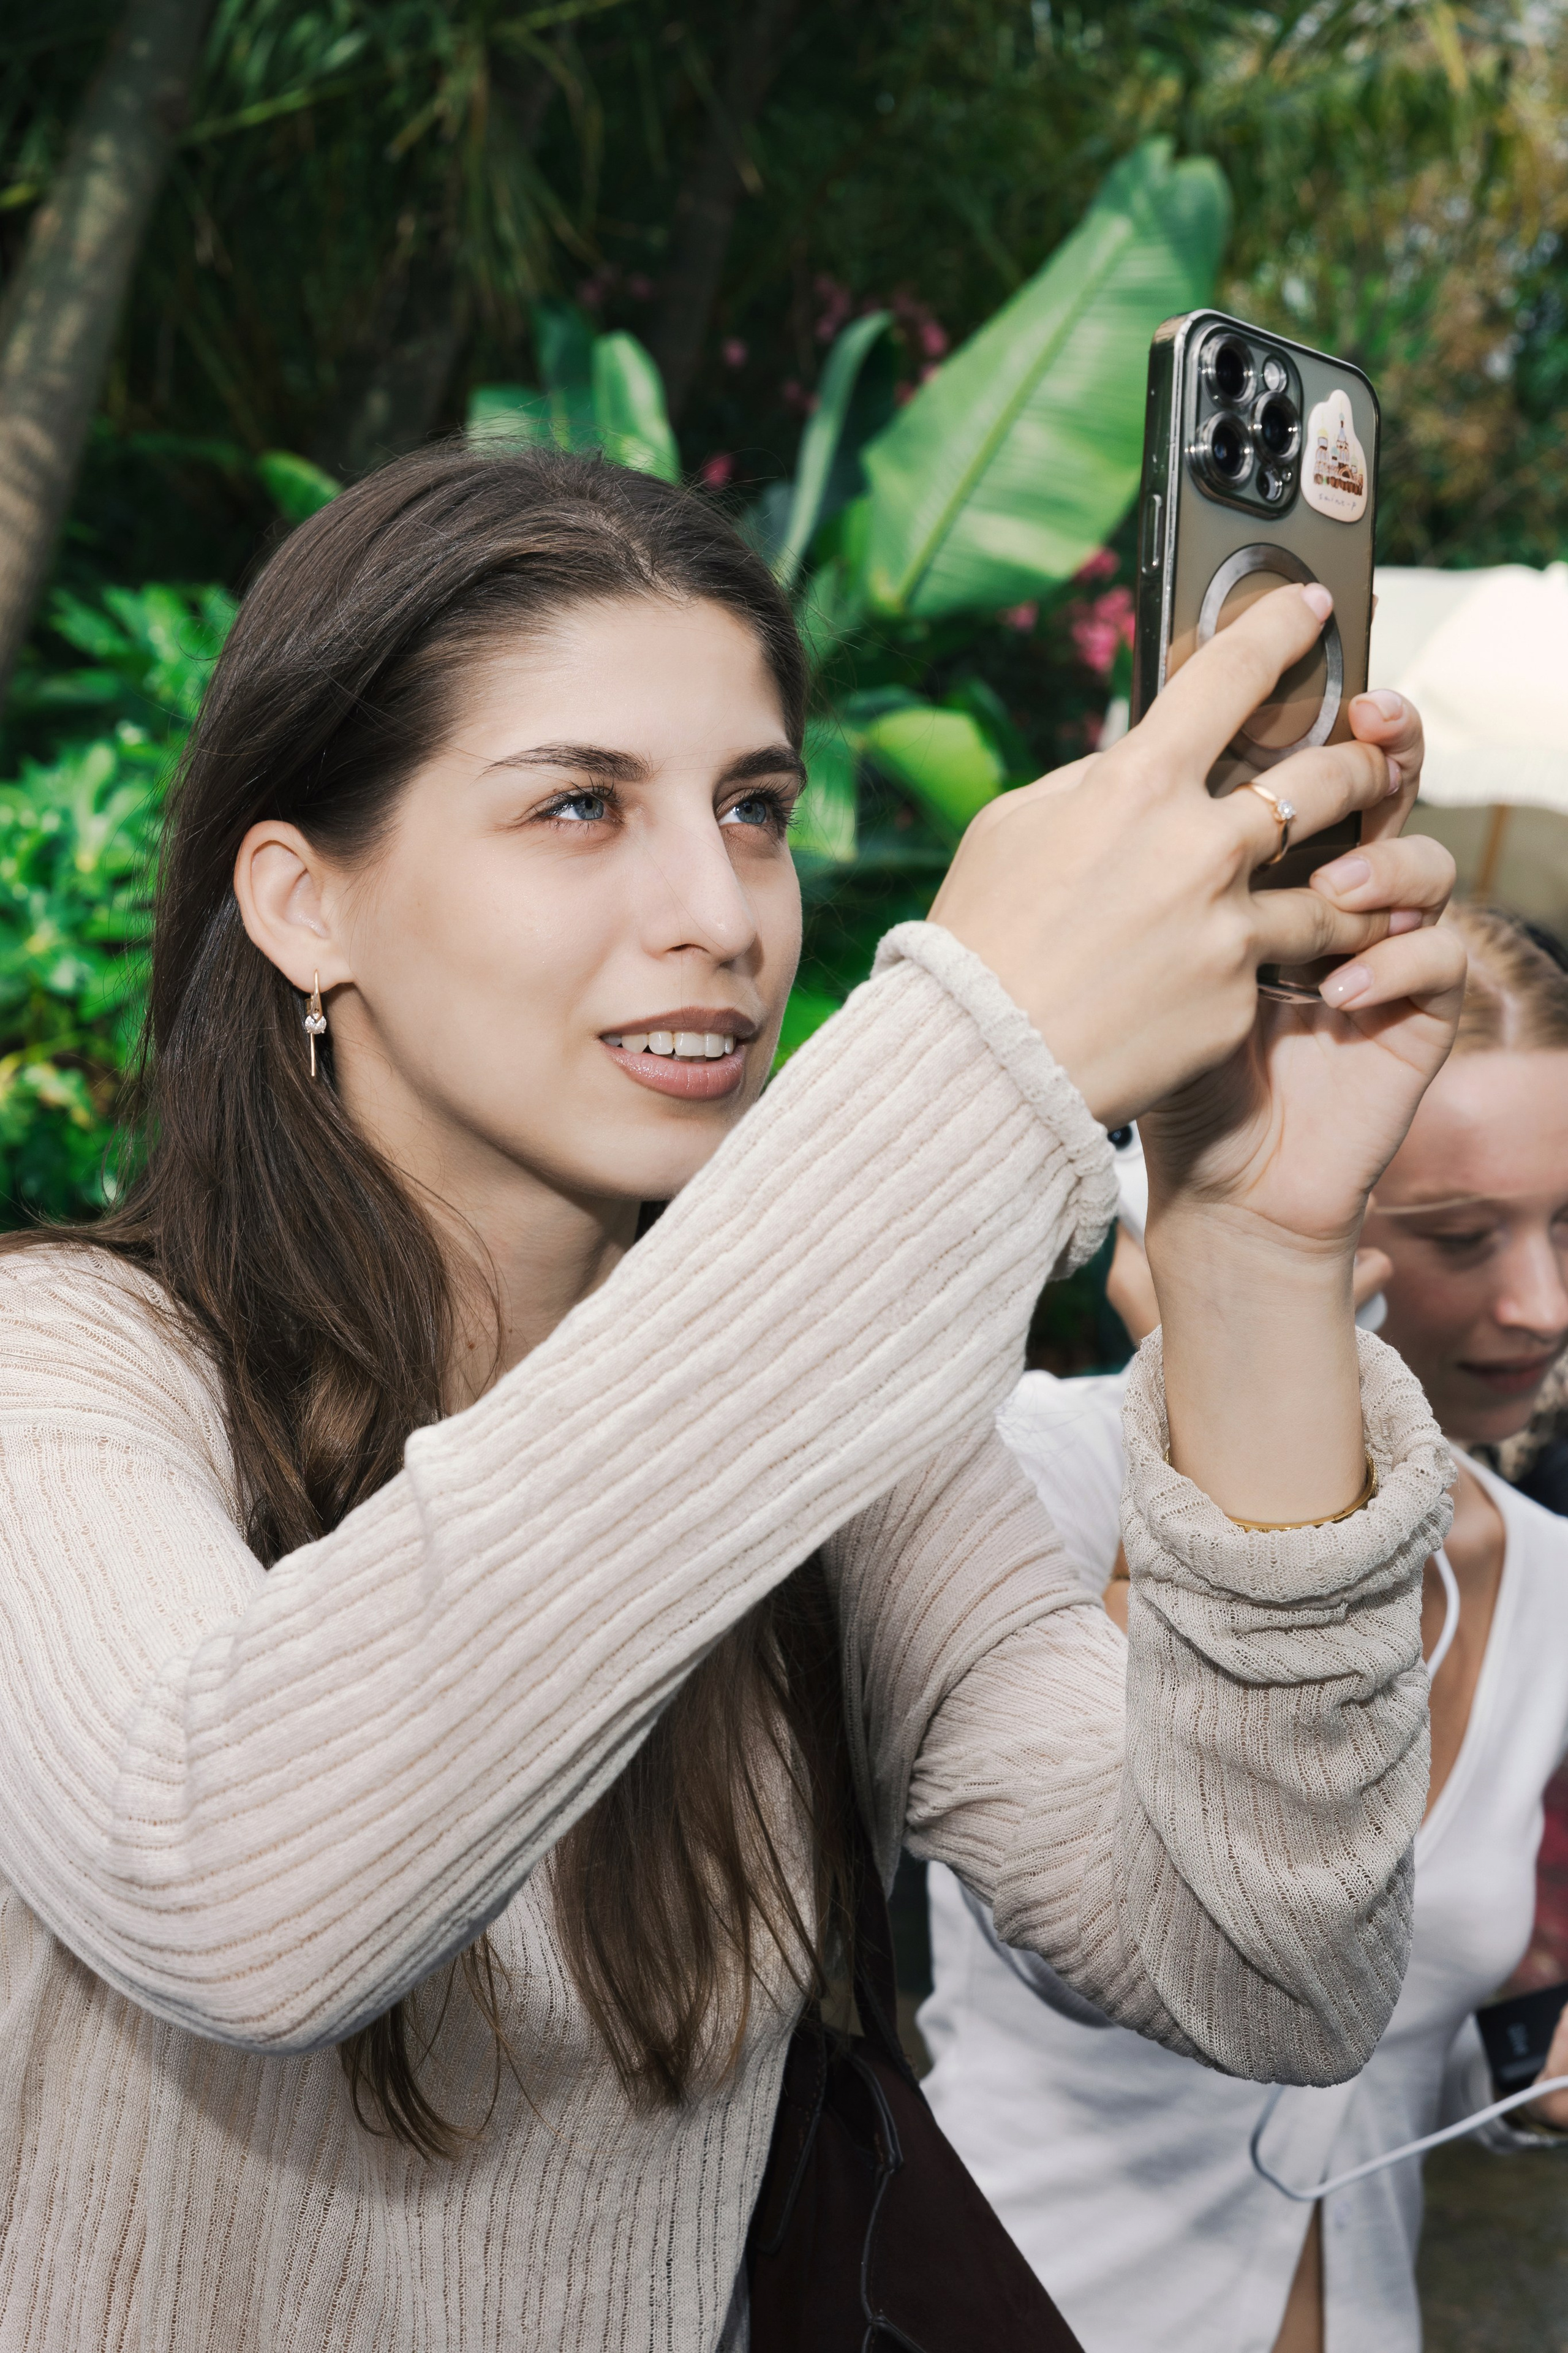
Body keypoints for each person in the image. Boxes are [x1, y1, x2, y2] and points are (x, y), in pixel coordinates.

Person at [0, 444, 1461, 2352]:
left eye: (754, 806)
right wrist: (977, 1059)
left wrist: (1254, 1253)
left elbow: (1267, 1969)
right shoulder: (68, 1367)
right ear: (303, 903)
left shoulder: (862, 1456)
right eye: (579, 806)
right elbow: (242, 1889)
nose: (721, 910)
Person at [920, 900, 1568, 2353]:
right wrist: (1227, 1373)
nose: (1537, 1304)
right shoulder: (1050, 1468)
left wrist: (1525, 2068)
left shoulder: (1547, 1578)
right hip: (1022, 2307)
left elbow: (1377, 2063)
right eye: (1461, 1236)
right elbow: (1109, 1939)